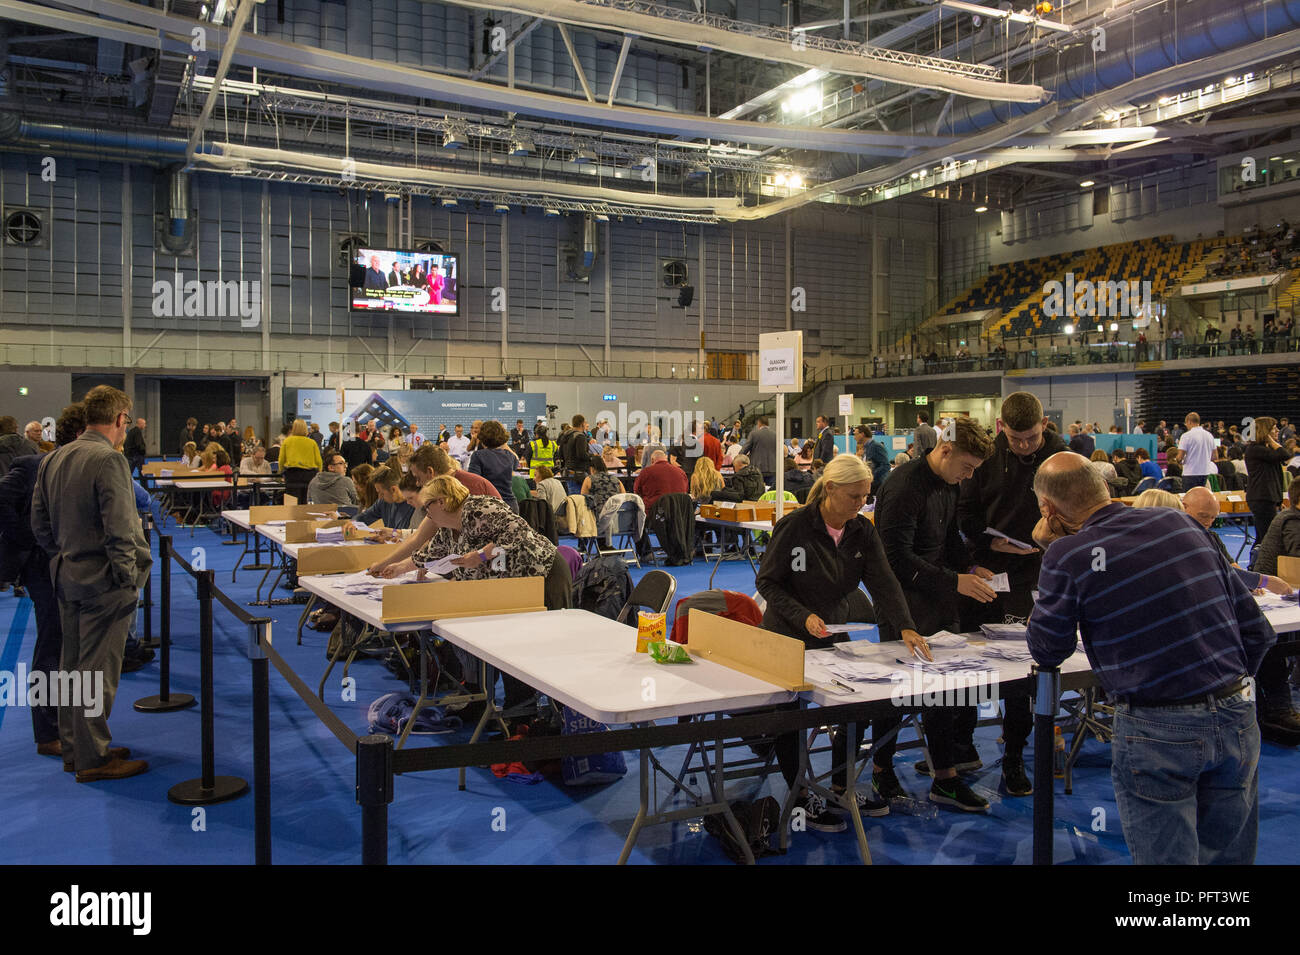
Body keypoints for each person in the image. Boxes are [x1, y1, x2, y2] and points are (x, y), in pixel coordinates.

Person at [1026, 452, 1275, 864]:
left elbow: (1047, 648)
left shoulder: (1068, 554)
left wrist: (1051, 553)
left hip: (1156, 725)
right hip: (1236, 713)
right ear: (1104, 488)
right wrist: (1226, 692)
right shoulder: (1183, 522)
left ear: (1048, 510)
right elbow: (1257, 630)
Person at [756, 454, 921, 830]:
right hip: (787, 633)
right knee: (792, 714)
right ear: (830, 489)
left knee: (854, 704)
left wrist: (906, 625)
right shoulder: (794, 527)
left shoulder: (862, 530)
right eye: (854, 496)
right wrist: (803, 616)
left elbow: (884, 582)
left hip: (833, 631)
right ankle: (799, 795)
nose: (861, 503)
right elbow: (767, 582)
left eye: (866, 496)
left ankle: (840, 786)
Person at [371, 475, 573, 717]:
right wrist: (396, 568)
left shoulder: (478, 509)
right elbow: (428, 554)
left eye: (427, 506)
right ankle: (516, 713)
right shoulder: (447, 530)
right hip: (512, 585)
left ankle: (554, 713)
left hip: (544, 574)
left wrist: (483, 555)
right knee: (511, 647)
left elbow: (518, 530)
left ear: (443, 502)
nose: (426, 513)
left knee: (543, 646)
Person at [874, 415, 997, 811]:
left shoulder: (948, 485)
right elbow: (894, 560)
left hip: (940, 600)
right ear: (945, 450)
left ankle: (945, 777)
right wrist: (954, 580)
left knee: (948, 691)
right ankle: (880, 767)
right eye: (966, 468)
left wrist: (970, 568)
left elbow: (948, 539)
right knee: (896, 695)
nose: (967, 477)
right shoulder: (903, 487)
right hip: (902, 605)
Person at [31, 386, 151, 782]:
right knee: (97, 674)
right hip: (104, 583)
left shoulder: (54, 458)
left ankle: (75, 748)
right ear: (120, 420)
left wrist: (66, 555)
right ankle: (93, 758)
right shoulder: (109, 460)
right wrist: (127, 578)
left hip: (67, 577)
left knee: (73, 670)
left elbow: (40, 525)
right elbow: (120, 529)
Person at [956, 392, 1066, 796]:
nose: (1024, 446)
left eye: (1031, 438)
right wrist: (986, 548)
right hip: (991, 566)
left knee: (1024, 667)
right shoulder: (988, 455)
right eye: (1016, 439)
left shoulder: (1060, 455)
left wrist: (1052, 538)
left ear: (1044, 426)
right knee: (973, 656)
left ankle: (1015, 756)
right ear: (1002, 427)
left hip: (1039, 568)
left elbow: (1078, 511)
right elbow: (966, 513)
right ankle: (961, 744)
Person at [0, 403, 80, 759]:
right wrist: (26, 539)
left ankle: (68, 726)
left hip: (66, 565)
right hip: (41, 567)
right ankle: (47, 732)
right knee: (51, 645)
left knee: (66, 646)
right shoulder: (32, 464)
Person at [1245, 416, 1291, 542]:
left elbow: (1275, 475)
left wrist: (1277, 500)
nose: (1277, 431)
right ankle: (1256, 562)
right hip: (1261, 497)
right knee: (1265, 538)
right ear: (1265, 432)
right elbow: (1285, 454)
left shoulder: (1266, 450)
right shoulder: (1255, 449)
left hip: (1267, 497)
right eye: (1274, 429)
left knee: (1265, 537)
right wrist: (1271, 441)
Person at [468, 420, 520, 512]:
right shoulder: (509, 455)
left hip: (489, 505)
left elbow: (473, 482)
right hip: (510, 504)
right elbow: (517, 462)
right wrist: (504, 443)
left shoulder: (478, 455)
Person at [356, 466, 415, 530]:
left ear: (393, 490)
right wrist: (353, 523)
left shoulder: (413, 505)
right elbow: (363, 517)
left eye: (381, 493)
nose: (379, 497)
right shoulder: (382, 502)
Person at [278, 419, 322, 503]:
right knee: (306, 500)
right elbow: (319, 461)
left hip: (292, 475)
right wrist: (319, 472)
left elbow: (281, 459)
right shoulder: (312, 442)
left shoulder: (287, 441)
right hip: (309, 475)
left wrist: (281, 472)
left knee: (292, 501)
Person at [633, 449, 687, 513]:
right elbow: (685, 490)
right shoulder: (681, 472)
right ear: (666, 458)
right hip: (677, 512)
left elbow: (636, 491)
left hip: (653, 512)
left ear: (652, 460)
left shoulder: (646, 472)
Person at [1178, 412, 1216, 489]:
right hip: (1204, 473)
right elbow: (1214, 456)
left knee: (1189, 498)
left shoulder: (1186, 436)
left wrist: (1178, 461)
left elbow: (1179, 457)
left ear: (1189, 422)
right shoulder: (1209, 435)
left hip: (1190, 473)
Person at [740, 416, 777, 485]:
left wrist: (738, 458)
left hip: (757, 469)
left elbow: (744, 450)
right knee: (771, 492)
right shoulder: (775, 435)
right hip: (773, 468)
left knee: (758, 492)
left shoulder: (754, 434)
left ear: (759, 423)